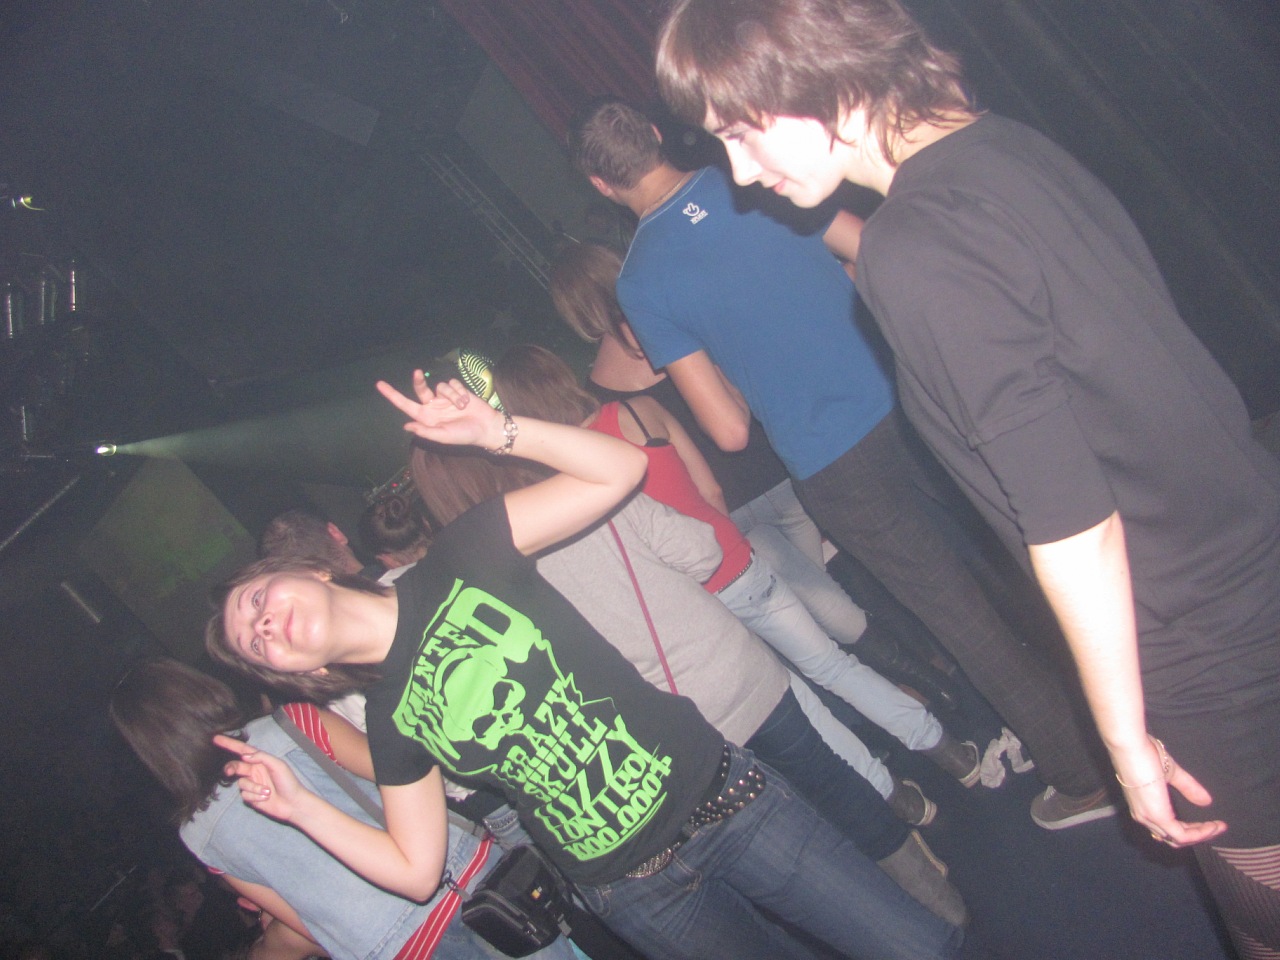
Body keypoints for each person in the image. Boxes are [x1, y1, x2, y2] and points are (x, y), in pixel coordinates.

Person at [653, 0, 1280, 953]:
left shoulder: (911, 246)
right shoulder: (1003, 148)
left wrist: (1122, 746)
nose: (738, 172)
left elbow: (1073, 526)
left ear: (814, 75)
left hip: (1194, 639)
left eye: (742, 131)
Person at [205, 374, 963, 960]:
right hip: (637, 896)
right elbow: (414, 868)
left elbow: (618, 470)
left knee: (918, 946)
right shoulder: (388, 715)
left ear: (312, 572)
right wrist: (301, 807)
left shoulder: (464, 556)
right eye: (255, 641)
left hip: (726, 802)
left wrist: (497, 432)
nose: (263, 623)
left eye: (257, 601)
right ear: (297, 671)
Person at [567, 96, 1114, 831]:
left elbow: (728, 429)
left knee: (960, 613)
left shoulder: (640, 283)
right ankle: (1138, 706)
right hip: (917, 398)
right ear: (657, 134)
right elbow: (869, 246)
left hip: (835, 462)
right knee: (1030, 554)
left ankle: (1082, 777)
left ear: (599, 184)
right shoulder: (751, 179)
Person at [409, 430, 966, 925]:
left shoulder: (485, 597)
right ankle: (941, 909)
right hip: (741, 676)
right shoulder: (591, 498)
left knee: (791, 848)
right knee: (834, 785)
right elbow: (702, 553)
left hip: (673, 739)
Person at [495, 342, 980, 823]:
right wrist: (724, 547)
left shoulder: (563, 479)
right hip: (735, 565)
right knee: (833, 665)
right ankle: (945, 749)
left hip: (694, 607)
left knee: (798, 704)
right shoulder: (638, 411)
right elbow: (710, 488)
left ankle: (895, 797)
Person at [551, 241, 962, 712]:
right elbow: (742, 393)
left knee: (819, 617)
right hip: (777, 473)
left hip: (726, 514)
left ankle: (922, 704)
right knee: (846, 584)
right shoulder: (673, 324)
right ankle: (939, 684)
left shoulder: (599, 392)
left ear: (573, 314)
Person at [110, 658, 572, 960]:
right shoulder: (289, 725)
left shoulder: (197, 838)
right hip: (467, 887)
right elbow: (405, 769)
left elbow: (303, 926)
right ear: (200, 692)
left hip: (394, 950)